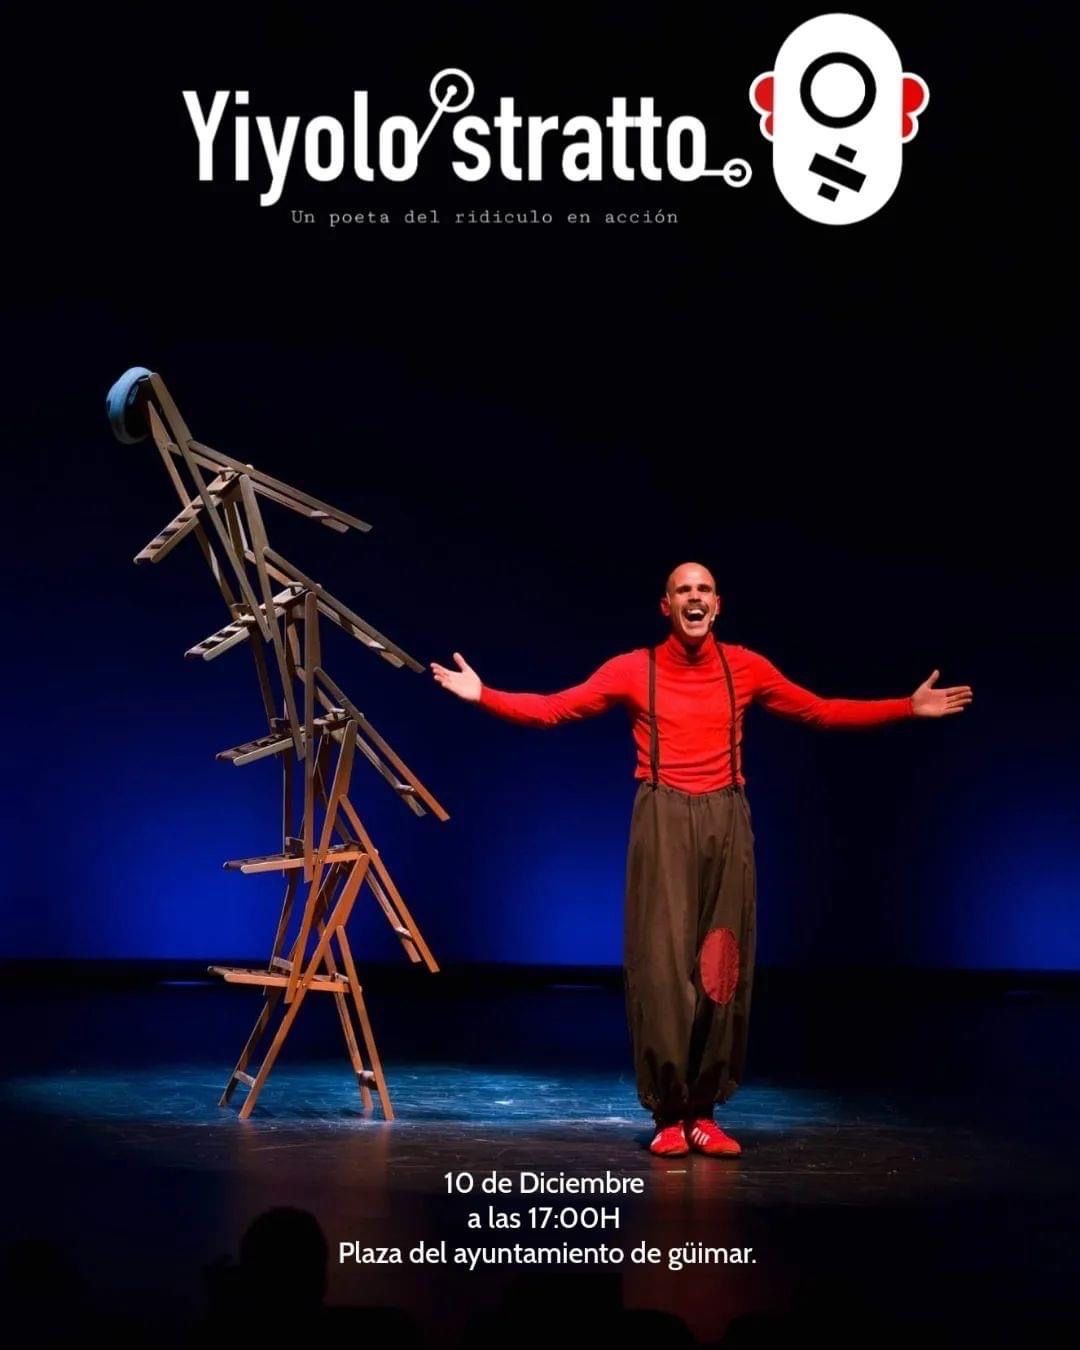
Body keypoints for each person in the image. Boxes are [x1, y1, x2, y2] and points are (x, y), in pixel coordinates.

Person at [431, 563, 972, 1158]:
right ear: (666, 606)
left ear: (718, 605)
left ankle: (704, 1112)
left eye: (704, 589)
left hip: (726, 818)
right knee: (662, 966)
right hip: (663, 816)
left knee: (722, 963)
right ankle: (669, 1112)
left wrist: (906, 707)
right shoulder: (633, 669)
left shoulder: (746, 667)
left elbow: (818, 710)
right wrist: (484, 695)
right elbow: (556, 708)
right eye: (683, 590)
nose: (695, 597)